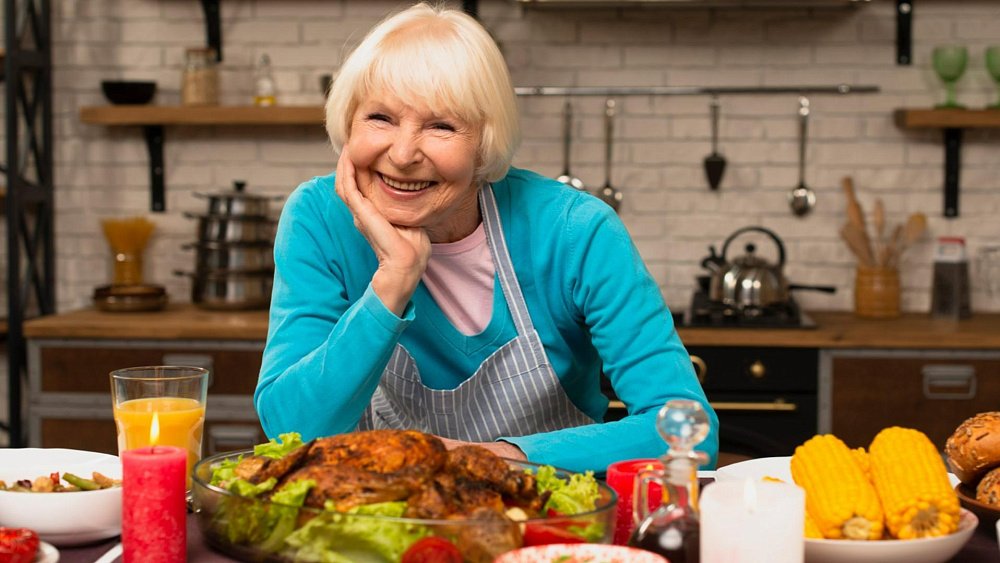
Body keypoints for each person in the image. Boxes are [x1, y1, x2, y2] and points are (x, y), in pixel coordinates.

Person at [254, 1, 718, 473]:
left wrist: (497, 459)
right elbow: (292, 430)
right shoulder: (318, 219)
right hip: (380, 523)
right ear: (348, 122)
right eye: (380, 118)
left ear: (484, 144)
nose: (403, 152)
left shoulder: (575, 231)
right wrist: (393, 280)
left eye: (441, 126)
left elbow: (688, 431)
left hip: (547, 526)